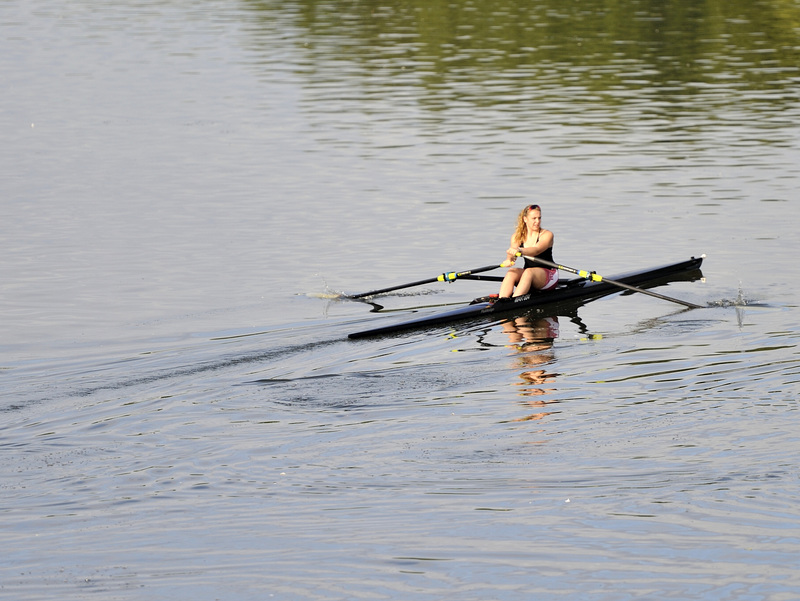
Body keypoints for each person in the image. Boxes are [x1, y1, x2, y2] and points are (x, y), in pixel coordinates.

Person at [498, 204, 558, 299]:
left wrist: (520, 250)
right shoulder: (516, 237)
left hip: (549, 275)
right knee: (512, 272)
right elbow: (512, 256)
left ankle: (514, 301)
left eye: (539, 218)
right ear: (525, 219)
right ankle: (502, 301)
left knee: (529, 272)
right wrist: (509, 259)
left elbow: (536, 250)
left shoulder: (547, 235)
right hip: (529, 275)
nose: (537, 221)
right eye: (534, 218)